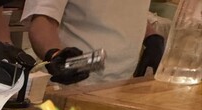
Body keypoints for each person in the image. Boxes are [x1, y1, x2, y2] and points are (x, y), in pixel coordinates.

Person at [21, 0, 165, 85]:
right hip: (77, 84)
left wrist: (151, 37)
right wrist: (55, 55)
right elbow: (42, 22)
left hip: (125, 83)